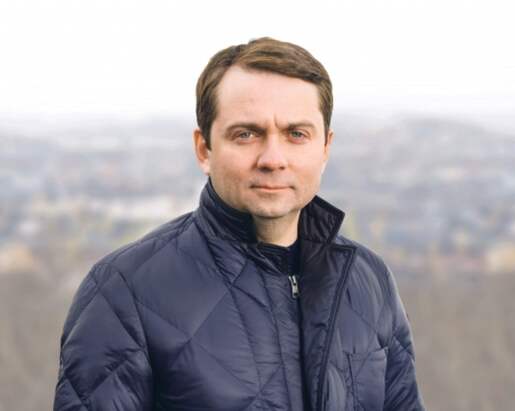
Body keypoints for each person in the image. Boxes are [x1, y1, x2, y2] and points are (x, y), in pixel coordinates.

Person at [53, 37, 425, 411]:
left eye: (296, 134)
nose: (273, 159)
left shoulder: (369, 281)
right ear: (204, 149)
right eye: (246, 134)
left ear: (325, 148)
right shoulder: (125, 292)